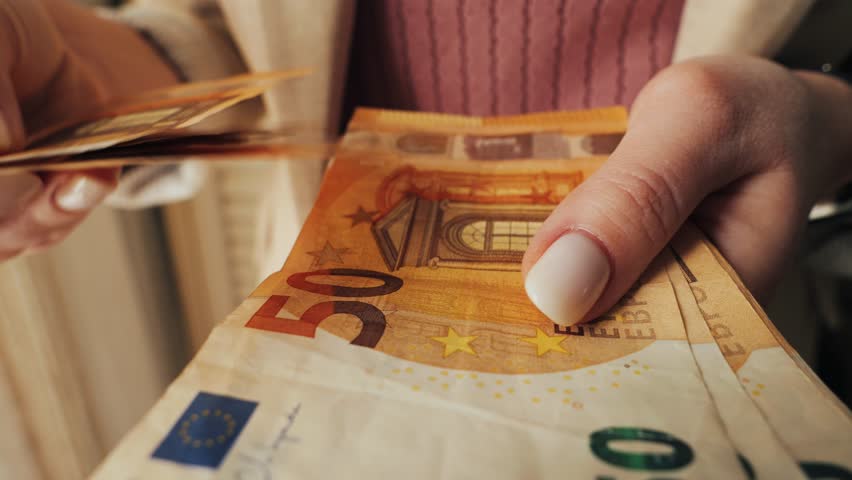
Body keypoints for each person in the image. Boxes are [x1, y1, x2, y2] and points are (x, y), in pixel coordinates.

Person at [0, 0, 850, 327]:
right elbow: (242, 31)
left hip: (736, 328)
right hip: (342, 365)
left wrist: (831, 124)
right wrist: (88, 89)